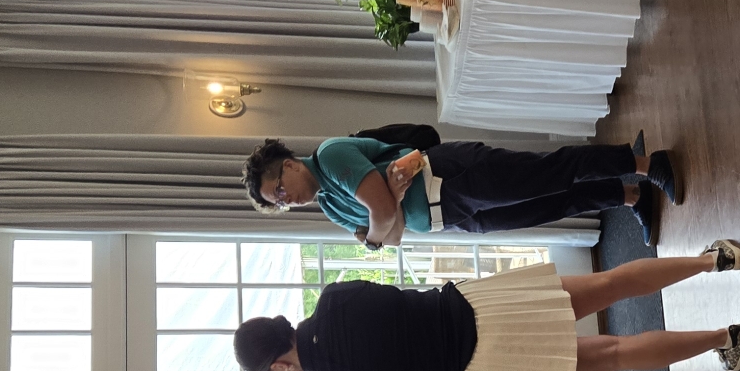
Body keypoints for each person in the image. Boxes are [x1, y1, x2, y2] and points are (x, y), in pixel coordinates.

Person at [230, 246, 740, 371]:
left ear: (278, 366)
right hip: (475, 308)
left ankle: (724, 337)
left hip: (481, 369)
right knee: (610, 284)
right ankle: (714, 260)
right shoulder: (334, 298)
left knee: (615, 354)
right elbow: (392, 295)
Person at [243, 132, 677, 248]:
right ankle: (629, 196)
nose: (286, 201)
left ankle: (643, 164)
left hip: (450, 178)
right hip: (450, 216)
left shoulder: (331, 157)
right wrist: (390, 204)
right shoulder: (330, 206)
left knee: (549, 173)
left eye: (278, 191)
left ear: (289, 165)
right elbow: (392, 236)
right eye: (278, 204)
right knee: (546, 206)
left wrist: (384, 215)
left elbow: (383, 220)